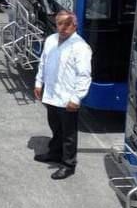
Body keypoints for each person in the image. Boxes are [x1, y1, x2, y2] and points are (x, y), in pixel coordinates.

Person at [33, 10, 93, 180]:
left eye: (67, 24)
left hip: (67, 98)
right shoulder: (51, 40)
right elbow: (43, 62)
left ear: (74, 26)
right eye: (60, 23)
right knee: (55, 126)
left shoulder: (80, 47)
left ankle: (68, 164)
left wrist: (76, 98)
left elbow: (84, 76)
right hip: (51, 94)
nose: (63, 27)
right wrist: (39, 83)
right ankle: (54, 153)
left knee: (68, 134)